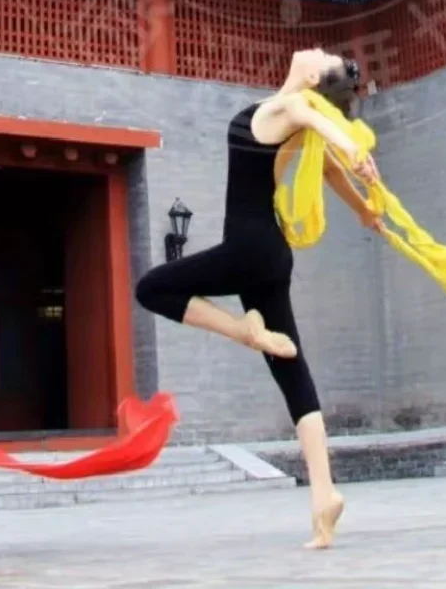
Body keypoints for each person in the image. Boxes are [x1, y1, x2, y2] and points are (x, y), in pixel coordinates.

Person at [135, 48, 381, 549]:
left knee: (152, 288)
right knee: (292, 372)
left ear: (311, 74)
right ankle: (324, 497)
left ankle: (244, 332)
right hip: (273, 254)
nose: (313, 49)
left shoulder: (284, 109)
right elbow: (331, 169)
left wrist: (353, 147)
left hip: (248, 249)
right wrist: (362, 211)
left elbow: (316, 121)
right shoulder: (295, 121)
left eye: (321, 54)